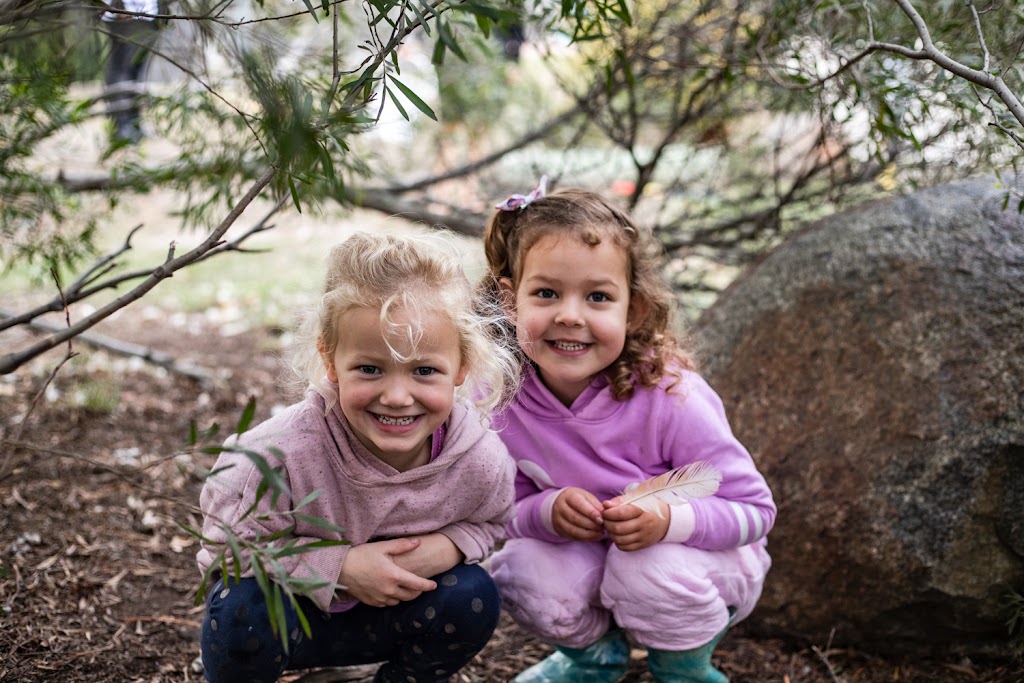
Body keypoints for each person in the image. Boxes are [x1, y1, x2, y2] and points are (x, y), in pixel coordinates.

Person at [479, 178, 776, 683]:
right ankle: (594, 660)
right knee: (520, 568)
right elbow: (494, 510)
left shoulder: (670, 396)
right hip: (598, 566)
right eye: (546, 293)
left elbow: (755, 512)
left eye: (597, 296)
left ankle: (683, 668)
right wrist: (546, 512)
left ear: (632, 309)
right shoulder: (500, 398)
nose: (570, 316)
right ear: (511, 302)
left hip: (698, 567)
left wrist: (668, 521)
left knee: (647, 569)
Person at [196, 231, 520, 683]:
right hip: (287, 622)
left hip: (390, 621)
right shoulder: (277, 456)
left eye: (424, 371)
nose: (397, 396)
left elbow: (490, 522)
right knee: (237, 609)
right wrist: (339, 568)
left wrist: (448, 547)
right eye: (370, 369)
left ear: (462, 367)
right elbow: (225, 550)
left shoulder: (478, 458)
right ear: (330, 360)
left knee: (472, 595)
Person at [101, 0, 160, 143]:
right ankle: (121, 125)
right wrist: (120, 5)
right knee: (122, 70)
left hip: (146, 13)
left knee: (136, 72)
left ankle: (134, 124)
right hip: (126, 13)